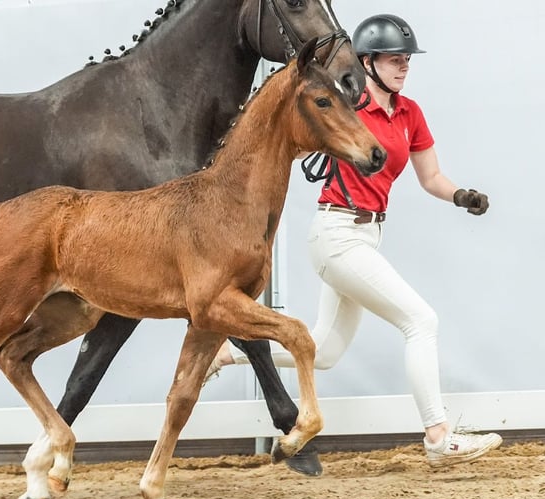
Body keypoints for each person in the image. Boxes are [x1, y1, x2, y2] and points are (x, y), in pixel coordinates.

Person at [208, 14, 502, 469]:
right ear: (367, 62)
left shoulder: (410, 114)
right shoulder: (346, 108)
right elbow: (298, 139)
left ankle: (225, 353)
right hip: (337, 235)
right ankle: (439, 435)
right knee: (421, 321)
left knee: (323, 353)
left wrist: (459, 195)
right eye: (394, 60)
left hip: (367, 236)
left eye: (407, 60)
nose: (404, 67)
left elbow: (432, 177)